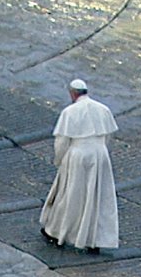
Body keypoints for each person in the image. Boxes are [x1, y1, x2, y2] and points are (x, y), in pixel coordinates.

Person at [40, 78, 118, 253]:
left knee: (70, 195)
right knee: (97, 196)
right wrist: (101, 153)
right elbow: (108, 136)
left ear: (72, 93)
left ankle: (57, 232)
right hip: (100, 154)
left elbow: (61, 142)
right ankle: (95, 239)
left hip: (78, 154)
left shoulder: (70, 112)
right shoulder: (103, 109)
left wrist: (59, 160)